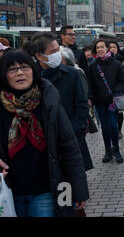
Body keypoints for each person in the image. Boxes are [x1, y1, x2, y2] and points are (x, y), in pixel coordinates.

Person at [0, 50, 89, 217]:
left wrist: (79, 190)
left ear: (33, 70)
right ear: (4, 75)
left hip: (47, 190)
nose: (20, 73)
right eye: (12, 69)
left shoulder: (48, 99)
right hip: (8, 191)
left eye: (24, 67)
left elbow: (69, 147)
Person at [31, 33, 93, 173]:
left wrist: (74, 130)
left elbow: (81, 105)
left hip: (71, 139)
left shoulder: (71, 74)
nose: (57, 55)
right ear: (39, 56)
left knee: (71, 187)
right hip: (42, 144)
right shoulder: (31, 78)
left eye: (58, 50)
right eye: (52, 52)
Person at [88, 39, 124, 164]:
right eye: (97, 48)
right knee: (105, 128)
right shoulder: (93, 66)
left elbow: (123, 80)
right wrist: (90, 98)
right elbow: (90, 84)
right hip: (99, 102)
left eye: (102, 47)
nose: (100, 49)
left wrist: (116, 91)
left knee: (113, 126)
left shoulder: (116, 64)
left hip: (112, 101)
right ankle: (108, 151)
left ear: (107, 48)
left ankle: (116, 149)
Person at [109, 40, 124, 139]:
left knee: (119, 111)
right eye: (110, 47)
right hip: (108, 92)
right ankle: (112, 130)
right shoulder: (104, 60)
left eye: (114, 47)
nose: (112, 49)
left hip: (119, 91)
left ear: (117, 49)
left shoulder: (123, 61)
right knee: (110, 112)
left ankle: (119, 130)